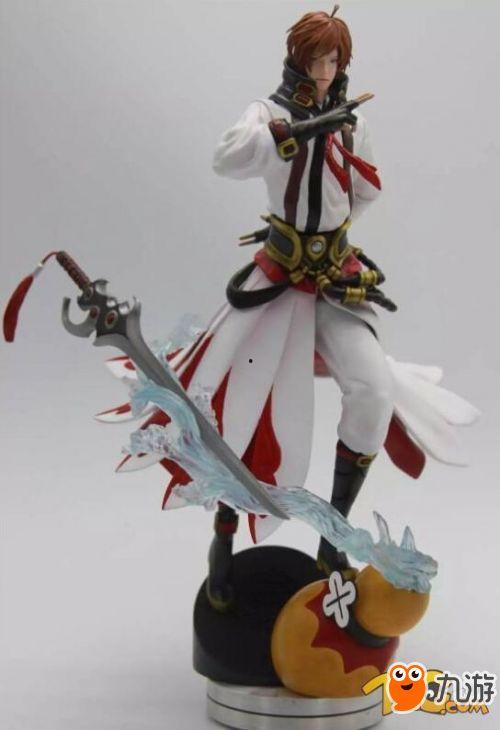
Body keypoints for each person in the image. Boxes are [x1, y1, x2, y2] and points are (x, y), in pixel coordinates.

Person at [107, 6, 478, 612]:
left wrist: (330, 233)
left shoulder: (352, 122)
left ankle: (333, 536)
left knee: (373, 391)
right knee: (236, 408)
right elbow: (227, 157)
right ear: (297, 60)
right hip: (277, 279)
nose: (325, 71)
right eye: (316, 59)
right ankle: (224, 535)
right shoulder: (267, 111)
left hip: (332, 278)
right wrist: (283, 137)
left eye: (333, 60)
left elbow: (366, 190)